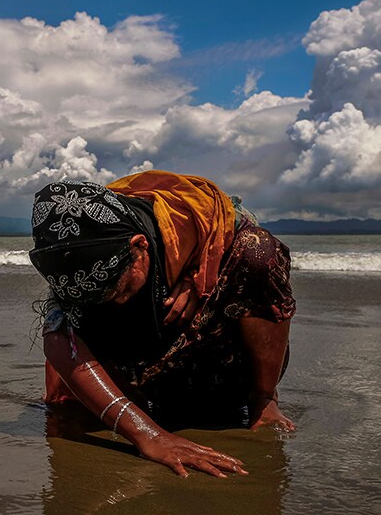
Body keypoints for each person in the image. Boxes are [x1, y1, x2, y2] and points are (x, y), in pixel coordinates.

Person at [29, 171, 296, 478]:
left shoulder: (207, 219)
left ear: (140, 247)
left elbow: (256, 266)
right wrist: (148, 435)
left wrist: (201, 278)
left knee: (257, 250)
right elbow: (58, 336)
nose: (115, 302)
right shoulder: (78, 251)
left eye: (118, 290)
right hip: (147, 382)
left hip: (223, 367)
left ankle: (263, 399)